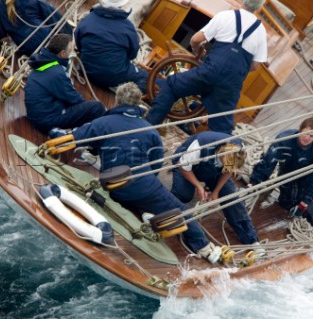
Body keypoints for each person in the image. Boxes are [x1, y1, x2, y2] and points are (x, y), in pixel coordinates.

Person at [60, 82, 222, 263]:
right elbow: (156, 163)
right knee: (182, 212)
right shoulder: (149, 131)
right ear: (138, 103)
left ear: (117, 100)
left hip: (114, 188)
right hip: (144, 188)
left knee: (132, 193)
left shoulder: (102, 123)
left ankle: (143, 209)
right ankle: (205, 248)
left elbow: (73, 139)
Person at [146, 0, 268, 134]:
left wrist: (197, 49)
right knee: (222, 128)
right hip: (231, 84)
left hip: (209, 72)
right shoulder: (261, 31)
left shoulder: (225, 16)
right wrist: (237, 69)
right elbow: (255, 65)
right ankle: (217, 149)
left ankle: (147, 128)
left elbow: (195, 39)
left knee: (171, 85)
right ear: (259, 7)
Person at [172, 131, 262, 250]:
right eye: (225, 163)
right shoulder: (199, 146)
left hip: (214, 170)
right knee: (183, 195)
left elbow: (228, 170)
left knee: (231, 198)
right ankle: (164, 215)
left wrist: (216, 192)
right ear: (222, 154)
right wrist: (199, 186)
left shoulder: (239, 150)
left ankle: (251, 239)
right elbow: (183, 166)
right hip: (187, 165)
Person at [249, 117, 313, 230]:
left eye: (312, 136)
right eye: (306, 133)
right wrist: (254, 181)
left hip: (305, 181)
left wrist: (306, 201)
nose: (307, 138)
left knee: (305, 210)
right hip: (286, 174)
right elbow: (268, 161)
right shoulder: (284, 139)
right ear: (300, 129)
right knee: (285, 204)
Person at [25, 34, 106, 135]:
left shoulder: (41, 62)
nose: (73, 52)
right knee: (97, 108)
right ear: (63, 54)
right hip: (45, 121)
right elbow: (75, 99)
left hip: (34, 115)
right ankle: (87, 138)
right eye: (71, 50)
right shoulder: (57, 72)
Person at [74, 0, 160, 94]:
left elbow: (78, 43)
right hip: (113, 77)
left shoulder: (88, 19)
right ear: (122, 5)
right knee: (150, 79)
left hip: (85, 69)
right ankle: (125, 95)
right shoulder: (128, 27)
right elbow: (132, 55)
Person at [0, 0, 72, 56]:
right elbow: (52, 16)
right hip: (48, 40)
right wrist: (69, 33)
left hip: (27, 48)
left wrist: (4, 38)